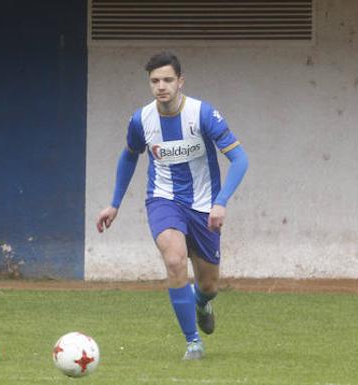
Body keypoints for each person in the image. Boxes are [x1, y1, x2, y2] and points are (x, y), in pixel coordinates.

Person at [96, 52, 248, 360]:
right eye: (154, 81)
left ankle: (202, 302)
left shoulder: (202, 114)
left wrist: (221, 203)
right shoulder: (141, 120)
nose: (161, 86)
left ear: (180, 81)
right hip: (163, 199)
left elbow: (240, 159)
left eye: (167, 80)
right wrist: (114, 204)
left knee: (208, 284)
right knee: (176, 262)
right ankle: (192, 341)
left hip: (205, 205)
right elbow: (129, 156)